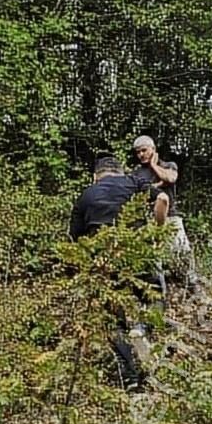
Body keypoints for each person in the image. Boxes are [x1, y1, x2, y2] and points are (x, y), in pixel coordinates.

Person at [69, 154, 165, 391]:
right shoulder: (134, 182)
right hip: (137, 252)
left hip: (104, 263)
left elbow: (75, 239)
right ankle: (142, 329)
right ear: (120, 172)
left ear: (95, 177)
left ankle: (131, 378)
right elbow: (162, 198)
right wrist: (157, 233)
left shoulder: (85, 196)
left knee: (113, 321)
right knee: (155, 295)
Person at [130, 134, 199, 292]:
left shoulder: (168, 164)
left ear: (153, 149)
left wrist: (154, 166)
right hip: (149, 220)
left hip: (171, 217)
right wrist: (159, 184)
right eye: (138, 152)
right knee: (154, 257)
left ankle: (192, 284)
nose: (141, 155)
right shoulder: (136, 173)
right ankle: (159, 291)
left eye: (144, 150)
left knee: (182, 251)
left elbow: (170, 178)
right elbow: (137, 192)